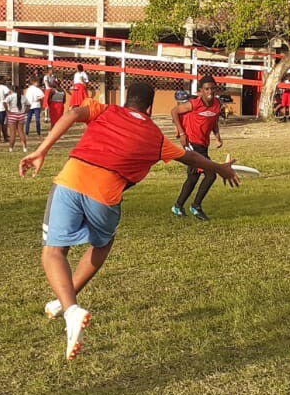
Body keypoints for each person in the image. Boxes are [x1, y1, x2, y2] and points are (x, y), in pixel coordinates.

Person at [19, 81, 240, 360]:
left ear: (126, 100)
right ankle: (66, 302)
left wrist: (42, 150)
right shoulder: (156, 137)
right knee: (103, 243)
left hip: (72, 180)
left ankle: (71, 308)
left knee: (54, 252)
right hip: (107, 194)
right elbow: (190, 156)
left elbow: (72, 114)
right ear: (149, 108)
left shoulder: (105, 110)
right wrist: (220, 168)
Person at [173, 77, 227, 220]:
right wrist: (182, 132)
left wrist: (217, 137)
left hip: (203, 145)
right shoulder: (194, 104)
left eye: (212, 88)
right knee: (211, 174)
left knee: (193, 177)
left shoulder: (217, 104)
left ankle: (178, 206)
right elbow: (174, 111)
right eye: (206, 89)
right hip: (192, 144)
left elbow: (214, 120)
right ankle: (196, 206)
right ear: (201, 91)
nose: (210, 91)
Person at [22, 78, 45, 142]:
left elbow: (25, 97)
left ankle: (27, 133)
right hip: (36, 105)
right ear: (34, 82)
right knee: (37, 120)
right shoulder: (37, 89)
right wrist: (38, 98)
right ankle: (39, 134)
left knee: (28, 120)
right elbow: (43, 96)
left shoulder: (27, 89)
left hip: (29, 105)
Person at [4, 85, 24, 152]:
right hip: (20, 114)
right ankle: (25, 148)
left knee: (12, 133)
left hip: (12, 115)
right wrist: (25, 111)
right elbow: (28, 104)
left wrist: (7, 110)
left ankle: (11, 148)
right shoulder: (22, 96)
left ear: (11, 90)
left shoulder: (10, 96)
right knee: (21, 132)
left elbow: (4, 102)